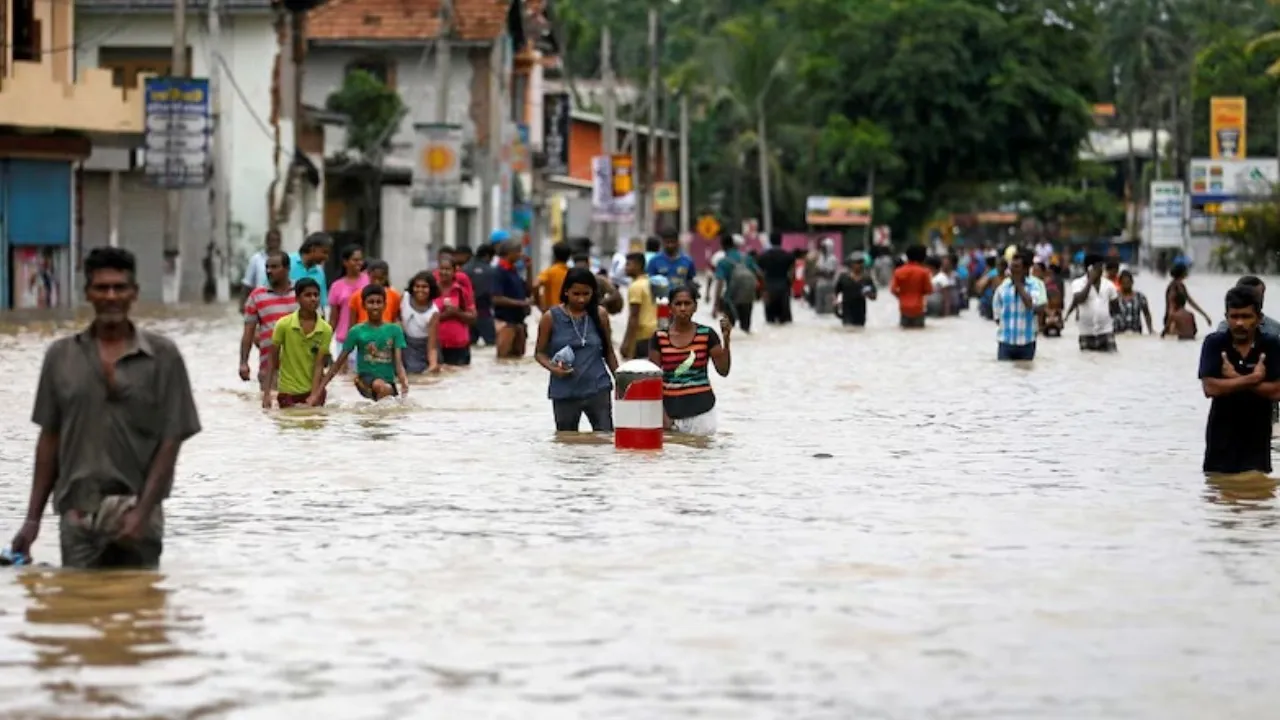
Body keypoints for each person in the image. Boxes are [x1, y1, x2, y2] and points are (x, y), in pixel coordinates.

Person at [12, 246, 200, 569]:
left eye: (119, 287)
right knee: (81, 609)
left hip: (137, 514)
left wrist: (142, 513)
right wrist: (31, 522)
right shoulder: (60, 357)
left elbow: (172, 440)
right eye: (102, 288)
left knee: (139, 608)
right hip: (77, 518)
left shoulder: (163, 357)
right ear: (88, 293)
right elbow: (49, 440)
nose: (111, 296)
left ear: (134, 293)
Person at [1199, 286, 1280, 475]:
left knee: (1257, 496)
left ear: (1259, 319)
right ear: (1226, 317)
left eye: (1246, 317)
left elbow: (1277, 392)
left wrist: (1234, 378)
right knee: (1218, 495)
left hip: (1256, 444)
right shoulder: (1215, 343)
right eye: (1234, 316)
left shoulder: (1271, 345)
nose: (1239, 323)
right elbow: (1210, 388)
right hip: (1220, 444)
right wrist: (1253, 378)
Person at [535, 267, 619, 432]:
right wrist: (554, 369)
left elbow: (609, 351)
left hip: (598, 388)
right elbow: (539, 353)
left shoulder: (600, 315)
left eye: (586, 294)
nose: (581, 299)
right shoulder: (550, 318)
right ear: (566, 292)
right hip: (565, 391)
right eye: (576, 294)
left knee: (605, 439)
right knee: (567, 443)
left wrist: (621, 381)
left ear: (593, 293)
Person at [649, 285, 731, 435]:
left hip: (702, 412)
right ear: (670, 308)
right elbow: (652, 380)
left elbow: (723, 371)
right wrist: (663, 416)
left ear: (695, 307)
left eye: (687, 304)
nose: (682, 308)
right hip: (670, 413)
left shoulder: (707, 335)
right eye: (678, 304)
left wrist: (726, 340)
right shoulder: (659, 338)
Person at [313, 284, 409, 402]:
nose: (375, 306)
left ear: (385, 305)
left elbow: (398, 364)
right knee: (382, 388)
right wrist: (318, 391)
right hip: (365, 379)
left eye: (379, 302)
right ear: (363, 305)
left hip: (388, 382)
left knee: (387, 406)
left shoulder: (395, 330)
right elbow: (338, 363)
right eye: (371, 302)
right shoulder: (356, 331)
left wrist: (404, 382)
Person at [264, 277, 333, 408]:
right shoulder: (283, 325)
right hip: (287, 391)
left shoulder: (325, 329)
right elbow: (272, 360)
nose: (313, 299)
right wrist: (267, 393)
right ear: (297, 299)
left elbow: (319, 365)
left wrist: (314, 395)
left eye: (316, 295)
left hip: (314, 391)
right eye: (307, 295)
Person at [240, 250, 297, 388]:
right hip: (270, 369)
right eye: (267, 267)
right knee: (271, 407)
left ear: (287, 269)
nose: (269, 271)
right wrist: (243, 362)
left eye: (274, 267)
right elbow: (248, 333)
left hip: (300, 368)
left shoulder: (301, 292)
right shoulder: (257, 296)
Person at [992, 252, 1047, 360]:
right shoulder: (1003, 288)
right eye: (1011, 267)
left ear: (1025, 269)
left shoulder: (1034, 286)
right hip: (1005, 343)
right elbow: (997, 316)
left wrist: (1018, 284)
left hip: (1026, 343)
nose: (1013, 270)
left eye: (1017, 267)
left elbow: (1030, 304)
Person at [1066, 255, 1120, 352]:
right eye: (1099, 266)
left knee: (1112, 360)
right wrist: (1090, 282)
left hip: (1106, 332)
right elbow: (1079, 299)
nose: (1102, 269)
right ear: (1090, 268)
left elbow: (1116, 308)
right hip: (1086, 333)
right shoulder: (1077, 283)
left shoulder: (1109, 285)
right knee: (1087, 362)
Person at [712, 234, 761, 333]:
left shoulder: (722, 262)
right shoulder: (747, 258)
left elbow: (720, 283)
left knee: (729, 332)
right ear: (734, 245)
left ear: (723, 246)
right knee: (745, 330)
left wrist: (716, 305)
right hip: (748, 297)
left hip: (730, 299)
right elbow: (759, 274)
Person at [327, 244, 368, 362]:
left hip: (367, 338)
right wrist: (326, 343)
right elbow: (333, 318)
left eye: (361, 260)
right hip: (344, 340)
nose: (359, 263)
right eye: (355, 260)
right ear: (345, 262)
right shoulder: (336, 286)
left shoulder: (368, 280)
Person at [493, 239, 533, 358]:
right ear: (509, 253)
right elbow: (496, 298)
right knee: (503, 358)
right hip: (505, 323)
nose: (521, 255)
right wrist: (521, 303)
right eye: (518, 252)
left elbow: (528, 291)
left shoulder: (513, 271)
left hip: (518, 322)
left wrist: (529, 269)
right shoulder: (499, 272)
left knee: (517, 358)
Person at [434, 258, 476, 366]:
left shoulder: (461, 291)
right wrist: (445, 315)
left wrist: (457, 313)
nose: (444, 272)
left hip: (459, 345)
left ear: (454, 271)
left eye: (448, 269)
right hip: (437, 345)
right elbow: (425, 318)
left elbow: (473, 318)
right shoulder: (432, 291)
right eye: (442, 269)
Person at [399, 271, 441, 374]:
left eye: (424, 287)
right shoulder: (405, 297)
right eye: (417, 286)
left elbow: (432, 345)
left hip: (422, 347)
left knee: (417, 373)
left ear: (431, 289)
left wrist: (433, 365)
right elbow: (396, 316)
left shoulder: (433, 312)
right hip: (404, 342)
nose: (420, 290)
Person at [622, 252, 658, 359]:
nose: (625, 268)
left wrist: (627, 343)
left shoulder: (636, 286)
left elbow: (634, 317)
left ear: (638, 265)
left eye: (628, 264)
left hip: (642, 336)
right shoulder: (650, 283)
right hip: (654, 332)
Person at [1216, 276, 1280, 336]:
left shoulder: (1275, 328)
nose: (1256, 299)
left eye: (1259, 296)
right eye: (1249, 296)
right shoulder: (1224, 330)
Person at [756, 234, 795, 324]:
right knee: (785, 321)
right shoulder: (788, 256)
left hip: (769, 288)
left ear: (770, 241)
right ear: (781, 241)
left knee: (770, 320)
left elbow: (759, 273)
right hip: (783, 288)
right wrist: (789, 285)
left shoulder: (763, 256)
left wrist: (763, 287)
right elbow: (792, 273)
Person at [891, 245, 933, 328]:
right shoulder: (924, 272)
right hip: (918, 308)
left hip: (904, 307)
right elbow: (929, 290)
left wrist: (902, 297)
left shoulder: (898, 271)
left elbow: (893, 290)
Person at [349, 259, 402, 325]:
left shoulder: (394, 296)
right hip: (363, 334)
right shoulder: (356, 296)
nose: (377, 282)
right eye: (374, 278)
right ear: (368, 275)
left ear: (386, 277)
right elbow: (352, 324)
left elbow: (394, 320)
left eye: (381, 279)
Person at [464, 243, 497, 346]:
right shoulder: (491, 271)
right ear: (487, 256)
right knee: (492, 344)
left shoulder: (465, 269)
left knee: (469, 344)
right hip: (484, 313)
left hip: (467, 314)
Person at [1165, 262, 1213, 330]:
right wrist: (1167, 326)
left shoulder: (1182, 286)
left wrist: (1205, 316)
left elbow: (1191, 302)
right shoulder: (1173, 288)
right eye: (1186, 270)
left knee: (1190, 317)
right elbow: (1171, 308)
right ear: (1182, 273)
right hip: (1172, 319)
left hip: (1181, 316)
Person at [289, 232, 331, 308]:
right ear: (313, 249)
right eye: (324, 252)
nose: (326, 257)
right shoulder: (288, 262)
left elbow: (323, 302)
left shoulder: (320, 272)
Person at [834, 255, 876, 326]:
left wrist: (869, 294)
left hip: (860, 313)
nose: (860, 265)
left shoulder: (867, 279)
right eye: (857, 263)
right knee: (848, 329)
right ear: (852, 264)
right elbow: (836, 292)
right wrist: (836, 303)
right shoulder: (844, 278)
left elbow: (874, 296)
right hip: (847, 311)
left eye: (861, 263)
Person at [240, 229, 281, 300]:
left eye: (277, 240)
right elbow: (247, 282)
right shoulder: (256, 259)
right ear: (267, 241)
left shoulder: (285, 259)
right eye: (272, 240)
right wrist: (242, 302)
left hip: (278, 301)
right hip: (260, 300)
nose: (274, 243)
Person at [1113, 270, 1154, 334]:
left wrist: (1150, 330)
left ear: (1132, 282)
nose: (1126, 285)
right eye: (1124, 282)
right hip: (1118, 333)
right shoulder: (1114, 297)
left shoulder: (1140, 297)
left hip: (1136, 333)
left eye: (1128, 282)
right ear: (1120, 283)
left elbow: (1147, 314)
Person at [534, 242, 572, 312]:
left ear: (554, 255)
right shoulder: (571, 272)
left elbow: (535, 285)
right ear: (569, 257)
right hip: (568, 312)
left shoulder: (549, 272)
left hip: (552, 313)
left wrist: (538, 302)